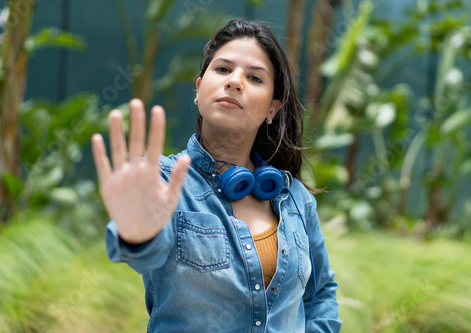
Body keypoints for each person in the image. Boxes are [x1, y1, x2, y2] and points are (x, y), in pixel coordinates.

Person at [91, 19, 342, 332]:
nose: (235, 81)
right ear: (199, 88)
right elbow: (143, 255)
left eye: (254, 77)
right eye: (223, 69)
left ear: (272, 110)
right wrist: (138, 235)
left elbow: (321, 295)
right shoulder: (162, 180)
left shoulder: (294, 199)